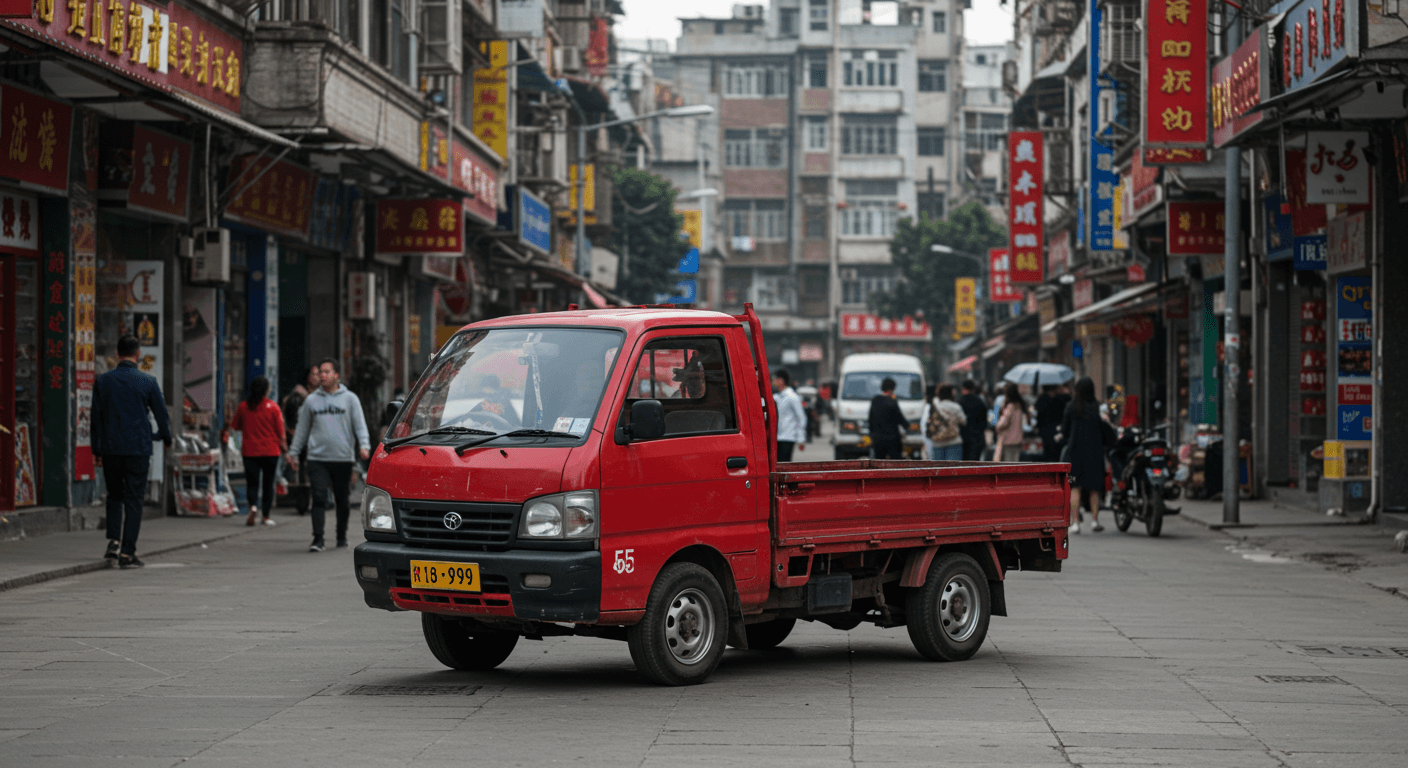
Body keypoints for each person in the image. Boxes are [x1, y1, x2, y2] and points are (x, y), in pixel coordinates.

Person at [91, 333, 172, 569]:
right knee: (134, 500)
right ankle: (128, 552)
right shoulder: (148, 382)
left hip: (111, 449)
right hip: (138, 448)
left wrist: (97, 450)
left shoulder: (103, 381)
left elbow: (96, 419)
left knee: (114, 496)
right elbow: (161, 415)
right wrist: (166, 438)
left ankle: (113, 543)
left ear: (117, 354)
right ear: (138, 354)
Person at [288, 358, 371, 552]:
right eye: (320, 372)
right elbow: (302, 430)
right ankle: (318, 539)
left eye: (326, 372)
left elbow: (359, 425)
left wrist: (364, 446)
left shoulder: (350, 399)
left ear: (336, 375)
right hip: (317, 458)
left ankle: (341, 535)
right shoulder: (311, 401)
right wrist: (293, 454)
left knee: (342, 500)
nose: (322, 376)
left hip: (342, 458)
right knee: (318, 497)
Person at [1061, 377, 1117, 534]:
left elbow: (1065, 431)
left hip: (1074, 452)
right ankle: (1094, 521)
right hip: (1094, 452)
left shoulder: (1071, 406)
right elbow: (1102, 426)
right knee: (1094, 488)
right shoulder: (1096, 407)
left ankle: (1076, 523)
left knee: (1074, 487)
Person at [231, 376, 287, 527]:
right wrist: (285, 448)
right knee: (268, 484)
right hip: (271, 451)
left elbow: (236, 426)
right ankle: (266, 516)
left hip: (250, 451)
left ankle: (253, 508)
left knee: (252, 483)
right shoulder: (273, 407)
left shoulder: (243, 406)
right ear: (266, 390)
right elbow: (280, 431)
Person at [282, 364, 321, 515]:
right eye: (313, 374)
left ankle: (312, 501)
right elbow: (291, 417)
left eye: (318, 374)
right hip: (301, 439)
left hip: (316, 439)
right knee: (302, 472)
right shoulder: (298, 395)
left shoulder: (322, 394)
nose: (316, 377)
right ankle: (303, 503)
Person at [867, 377, 909, 460]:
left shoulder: (875, 400)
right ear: (891, 389)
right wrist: (907, 426)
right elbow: (900, 418)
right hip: (892, 440)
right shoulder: (892, 402)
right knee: (896, 463)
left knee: (879, 462)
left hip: (878, 439)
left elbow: (870, 419)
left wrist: (872, 434)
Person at [922, 384, 967, 461]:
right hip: (953, 441)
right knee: (953, 469)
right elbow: (964, 421)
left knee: (938, 469)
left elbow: (928, 422)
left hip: (937, 442)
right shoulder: (956, 407)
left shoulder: (934, 406)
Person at [772, 369, 807, 462]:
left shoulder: (792, 397)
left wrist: (801, 438)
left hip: (788, 437)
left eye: (774, 379)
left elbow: (801, 418)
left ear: (781, 380)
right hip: (777, 436)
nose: (773, 382)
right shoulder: (776, 397)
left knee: (784, 463)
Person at [1034, 384, 1071, 462]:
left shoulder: (1041, 400)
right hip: (1057, 431)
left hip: (1045, 432)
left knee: (1046, 455)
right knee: (1056, 455)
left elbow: (1039, 417)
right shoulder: (1061, 399)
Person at [994, 382, 1027, 462]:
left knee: (1007, 464)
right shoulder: (1019, 405)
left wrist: (997, 426)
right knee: (1015, 462)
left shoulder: (1010, 406)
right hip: (1017, 439)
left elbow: (1003, 422)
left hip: (1008, 440)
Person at [958, 380, 988, 461]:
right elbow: (984, 422)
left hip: (964, 438)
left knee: (964, 463)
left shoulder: (959, 402)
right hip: (978, 438)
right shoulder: (980, 402)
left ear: (963, 389)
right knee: (975, 463)